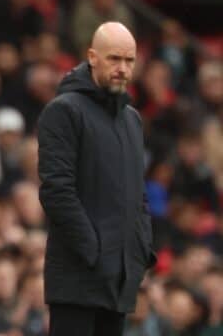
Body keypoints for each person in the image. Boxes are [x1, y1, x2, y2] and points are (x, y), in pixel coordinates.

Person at [37, 22, 157, 336]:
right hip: (78, 278)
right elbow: (56, 191)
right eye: (114, 59)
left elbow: (138, 193)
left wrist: (140, 249)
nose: (122, 68)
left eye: (129, 61)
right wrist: (95, 251)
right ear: (92, 56)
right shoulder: (63, 111)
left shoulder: (132, 119)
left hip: (119, 279)